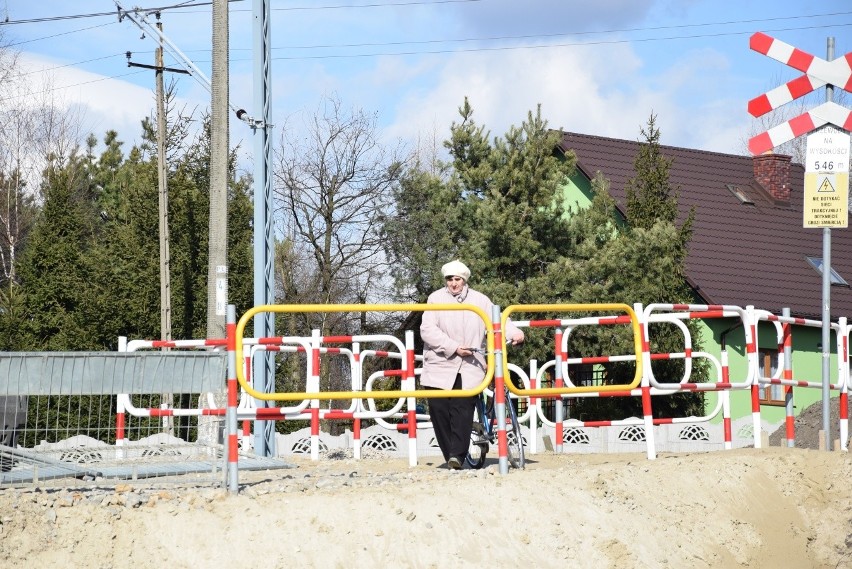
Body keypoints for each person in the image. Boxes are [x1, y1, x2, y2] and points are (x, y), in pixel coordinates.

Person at [419, 260, 524, 470]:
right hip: (440, 362)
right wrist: (453, 347)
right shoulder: (435, 299)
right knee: (438, 409)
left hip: (469, 365)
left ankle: (456, 456)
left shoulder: (480, 300)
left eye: (457, 279)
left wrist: (515, 333)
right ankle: (450, 453)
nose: (453, 283)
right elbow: (427, 330)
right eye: (450, 279)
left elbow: (498, 321)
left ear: (464, 280)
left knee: (462, 408)